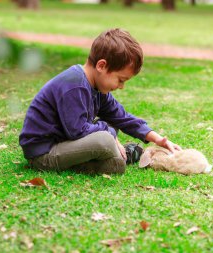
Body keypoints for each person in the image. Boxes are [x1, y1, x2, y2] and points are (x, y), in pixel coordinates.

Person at [19, 28, 182, 174]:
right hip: (44, 154)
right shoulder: (74, 86)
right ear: (102, 66)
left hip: (65, 141)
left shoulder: (96, 87)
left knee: (110, 126)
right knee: (104, 139)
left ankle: (117, 153)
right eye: (120, 80)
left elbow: (121, 116)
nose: (121, 86)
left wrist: (157, 138)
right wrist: (110, 135)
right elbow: (77, 131)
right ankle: (112, 160)